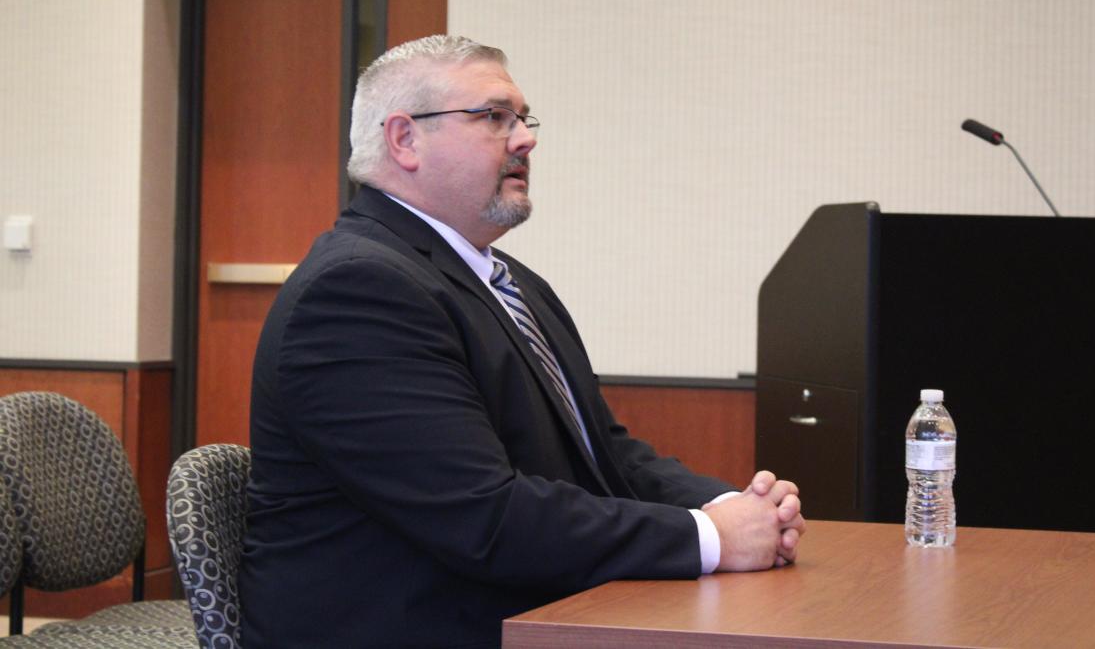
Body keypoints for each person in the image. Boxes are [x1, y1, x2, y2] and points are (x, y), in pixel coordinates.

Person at [239, 35, 806, 648]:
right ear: (404, 139)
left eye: (522, 118)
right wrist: (711, 538)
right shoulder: (357, 291)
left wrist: (738, 507)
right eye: (493, 117)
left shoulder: (507, 281)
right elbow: (485, 517)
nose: (525, 138)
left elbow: (604, 454)